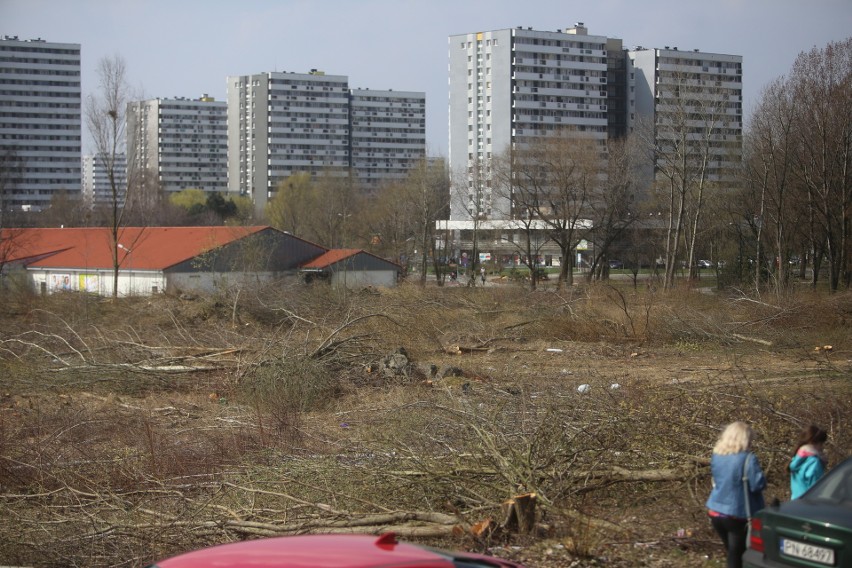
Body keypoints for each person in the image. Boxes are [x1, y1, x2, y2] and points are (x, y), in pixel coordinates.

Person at [705, 421, 766, 568]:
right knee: (737, 555)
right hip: (736, 514)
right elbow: (757, 485)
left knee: (733, 552)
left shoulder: (717, 456)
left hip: (715, 510)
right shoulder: (748, 459)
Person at [789, 424, 828, 499]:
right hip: (809, 506)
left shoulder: (796, 458)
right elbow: (816, 491)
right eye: (821, 444)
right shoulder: (814, 462)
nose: (822, 447)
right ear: (815, 442)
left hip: (795, 504)